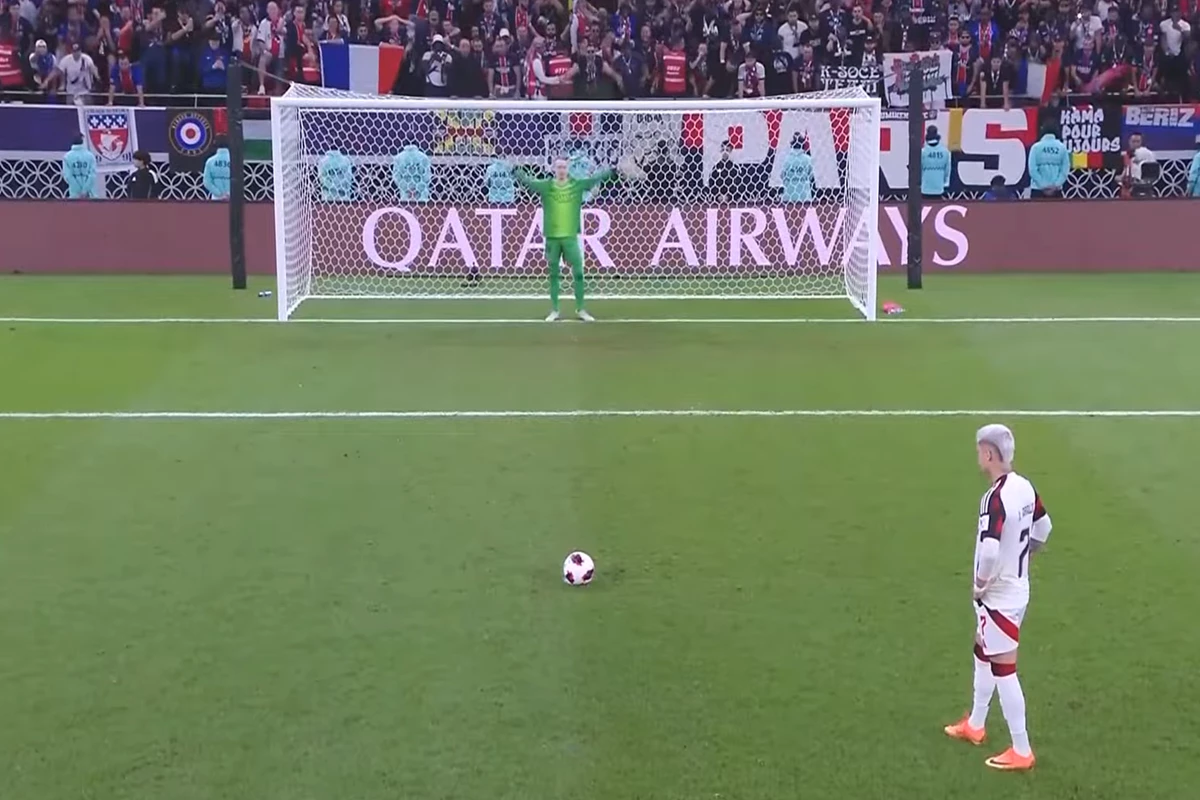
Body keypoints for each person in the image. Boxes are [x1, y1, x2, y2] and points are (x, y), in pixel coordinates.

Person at [943, 424, 1052, 772]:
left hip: (999, 598)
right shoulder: (1025, 487)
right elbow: (1044, 527)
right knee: (982, 650)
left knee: (1004, 670)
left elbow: (989, 549)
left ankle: (1022, 749)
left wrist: (980, 584)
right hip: (1017, 590)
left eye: (980, 451)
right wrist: (1024, 556)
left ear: (989, 454)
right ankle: (975, 724)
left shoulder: (995, 498)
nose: (978, 456)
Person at [512, 158, 622, 322]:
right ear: (554, 169)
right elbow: (530, 183)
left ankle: (581, 309)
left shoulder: (576, 185)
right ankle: (555, 310)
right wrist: (516, 171)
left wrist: (611, 171)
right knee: (554, 274)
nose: (561, 170)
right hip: (552, 237)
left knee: (578, 272)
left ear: (567, 168)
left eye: (564, 167)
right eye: (559, 167)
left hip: (570, 237)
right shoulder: (546, 186)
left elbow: (594, 179)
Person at [1026, 127, 1069, 199]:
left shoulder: (1035, 147)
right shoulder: (1062, 147)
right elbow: (1065, 170)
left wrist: (1043, 185)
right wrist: (1055, 185)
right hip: (1056, 190)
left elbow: (1032, 169)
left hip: (1037, 190)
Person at [779, 134, 814, 203]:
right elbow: (811, 176)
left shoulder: (786, 159)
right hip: (804, 196)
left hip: (789, 196)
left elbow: (782, 175)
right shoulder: (808, 159)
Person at [62, 135, 98, 199]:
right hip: (90, 194)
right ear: (83, 142)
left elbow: (68, 176)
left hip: (74, 195)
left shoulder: (67, 157)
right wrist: (85, 190)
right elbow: (92, 175)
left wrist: (78, 191)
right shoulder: (90, 156)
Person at [920, 126, 952, 198]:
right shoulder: (945, 152)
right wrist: (944, 181)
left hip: (925, 187)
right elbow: (947, 169)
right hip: (939, 187)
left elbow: (919, 169)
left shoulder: (923, 152)